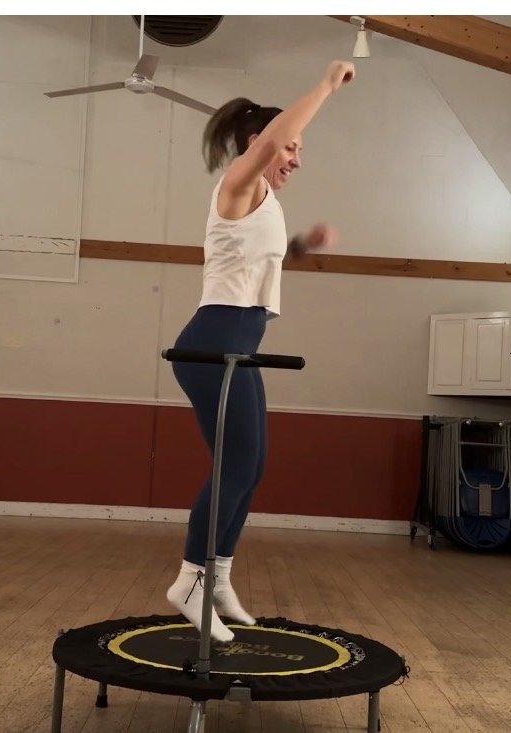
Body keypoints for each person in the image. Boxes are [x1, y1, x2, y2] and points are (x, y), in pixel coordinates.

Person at [166, 59, 356, 643]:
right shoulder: (237, 184)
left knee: (253, 467)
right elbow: (277, 136)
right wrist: (324, 84)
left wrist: (302, 244)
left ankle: (218, 576)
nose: (296, 159)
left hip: (239, 344)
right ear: (260, 145)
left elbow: (254, 262)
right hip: (214, 342)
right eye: (290, 148)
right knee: (235, 466)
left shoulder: (262, 203)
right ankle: (190, 582)